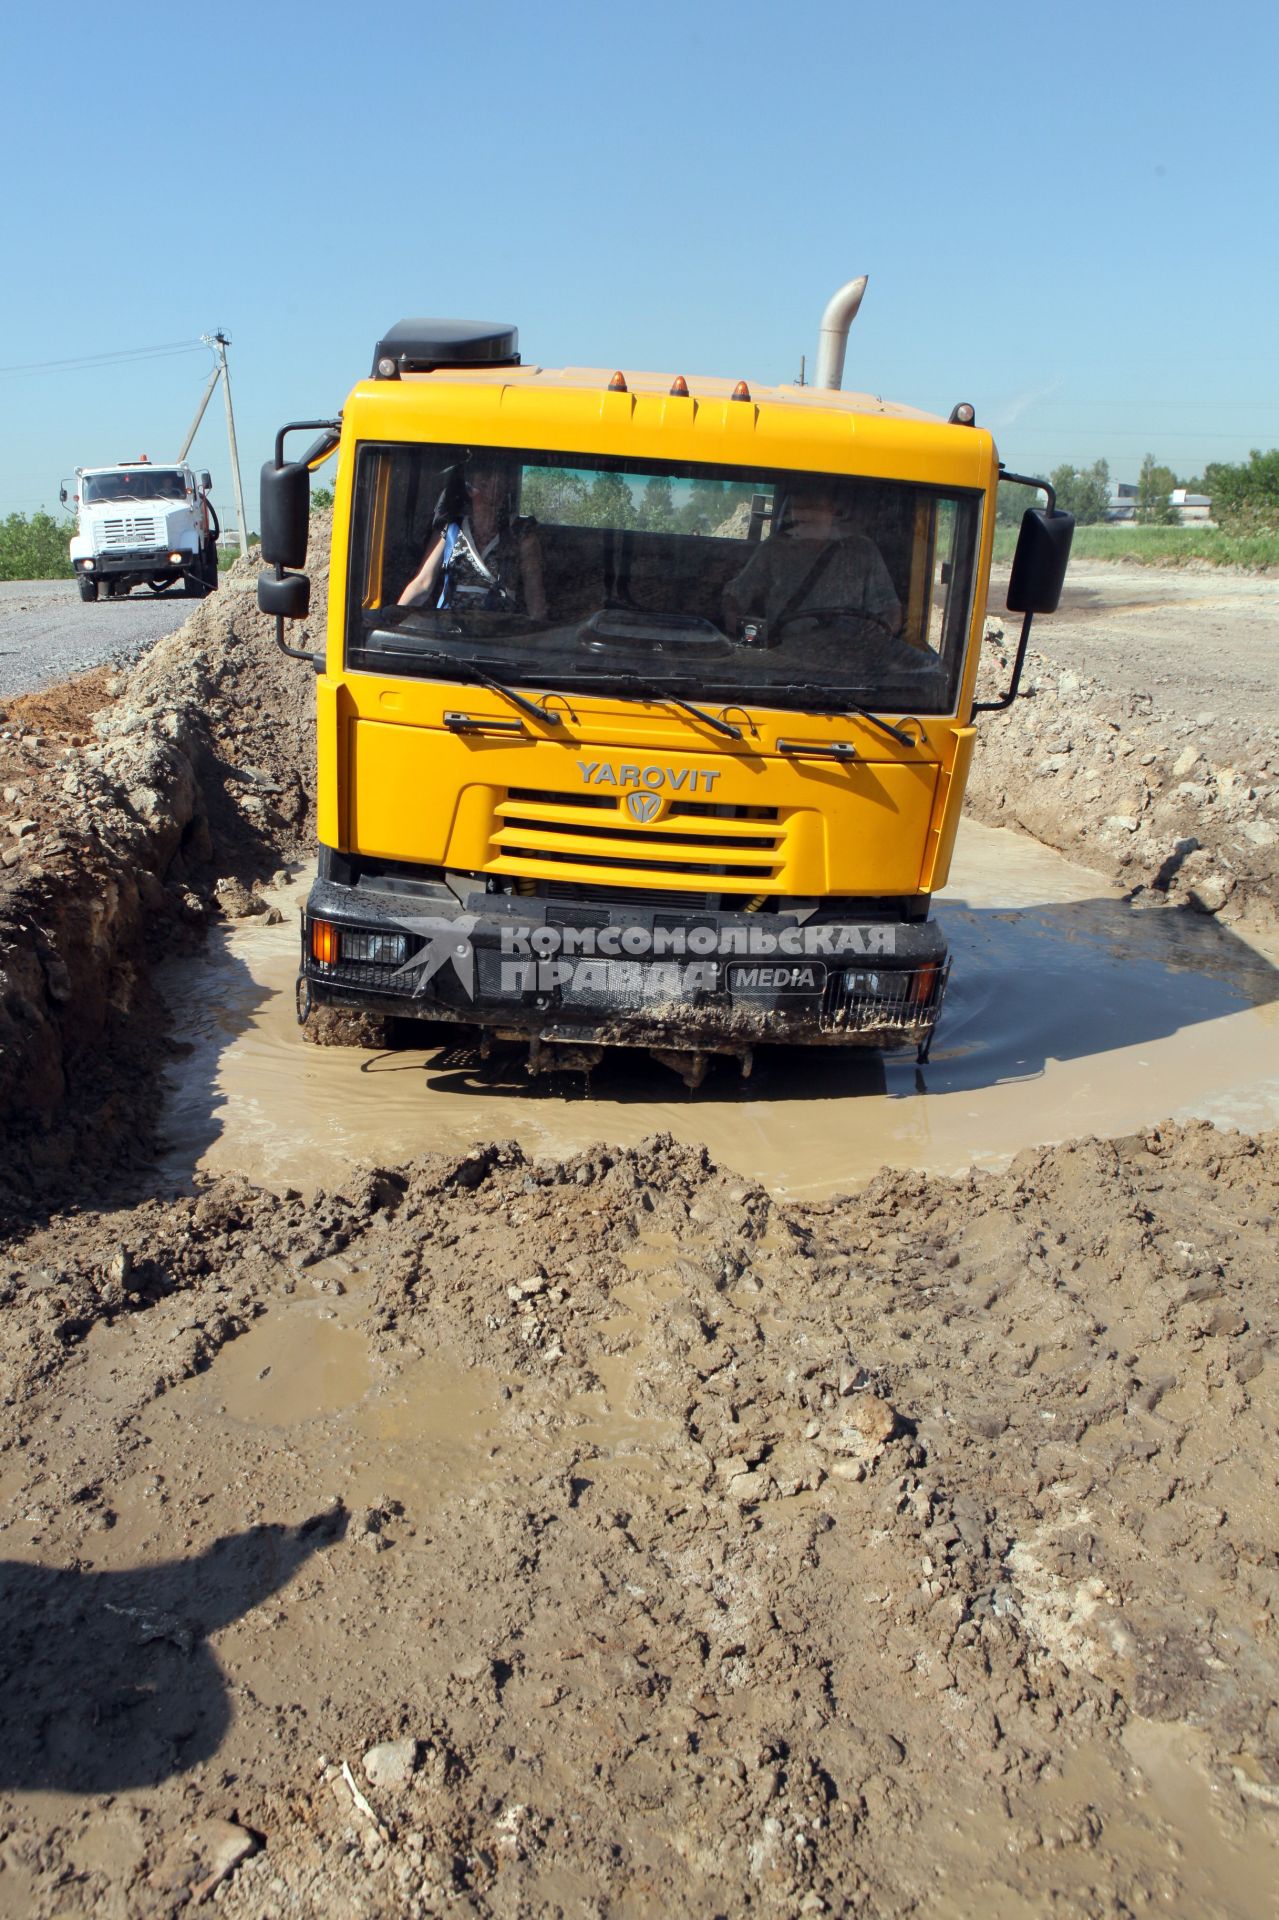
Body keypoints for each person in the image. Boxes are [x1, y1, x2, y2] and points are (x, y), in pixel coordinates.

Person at [723, 481, 902, 642]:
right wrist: (747, 631)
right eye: (799, 507)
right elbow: (735, 596)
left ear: (834, 509)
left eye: (814, 507)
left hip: (846, 659)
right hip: (784, 654)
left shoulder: (863, 551)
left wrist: (874, 640)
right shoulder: (774, 548)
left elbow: (891, 611)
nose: (806, 514)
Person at [397, 457, 547, 618]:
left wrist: (539, 636)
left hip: (499, 635)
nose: (495, 484)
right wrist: (394, 619)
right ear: (469, 487)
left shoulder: (522, 534)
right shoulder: (451, 528)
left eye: (500, 477)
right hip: (450, 631)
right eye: (486, 479)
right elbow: (422, 584)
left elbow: (534, 597)